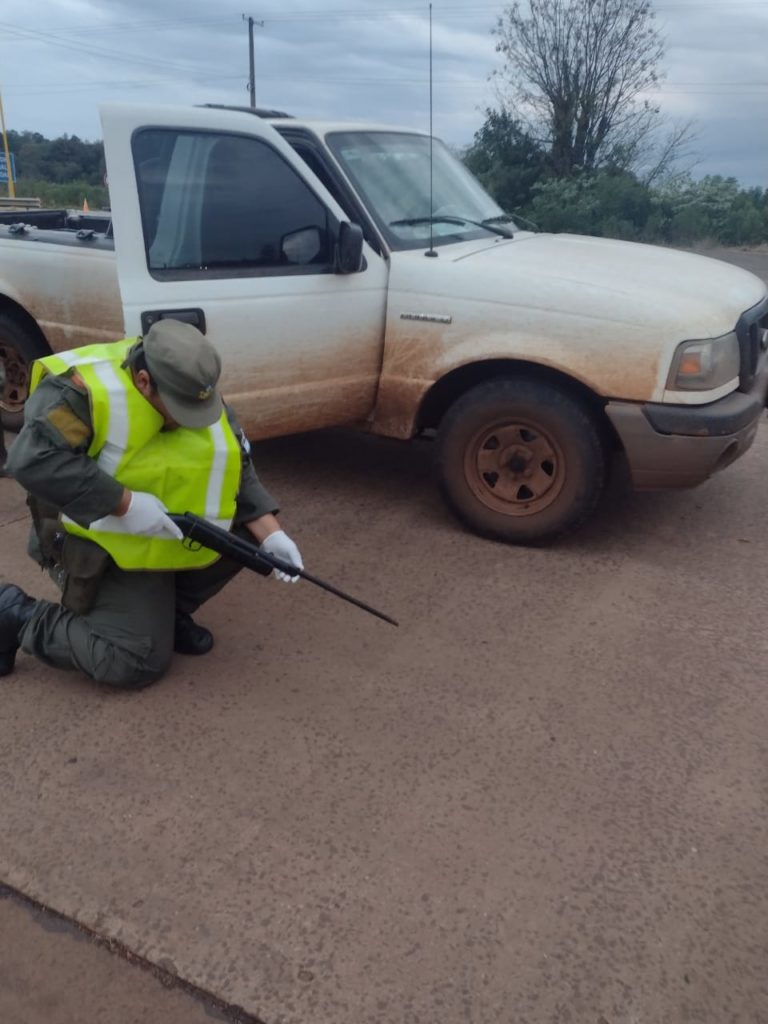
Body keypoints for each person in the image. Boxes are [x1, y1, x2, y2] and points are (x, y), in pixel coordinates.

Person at [0, 319, 303, 688]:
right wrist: (123, 503)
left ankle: (165, 613)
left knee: (249, 543)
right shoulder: (82, 393)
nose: (192, 421)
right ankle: (17, 615)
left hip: (159, 528)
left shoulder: (194, 389)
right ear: (144, 381)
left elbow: (234, 462)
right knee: (133, 662)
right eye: (180, 410)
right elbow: (32, 459)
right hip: (94, 539)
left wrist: (272, 535)